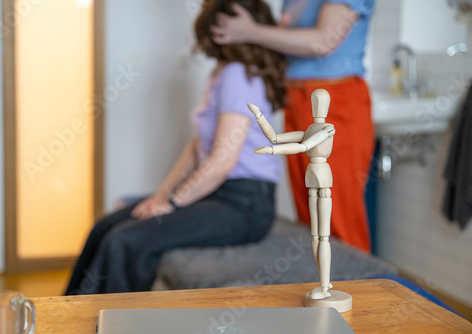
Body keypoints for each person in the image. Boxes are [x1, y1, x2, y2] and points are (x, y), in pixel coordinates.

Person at [65, 0, 286, 295]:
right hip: (219, 194)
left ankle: (103, 323)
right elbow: (199, 149)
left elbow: (222, 161)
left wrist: (171, 203)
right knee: (105, 227)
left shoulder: (238, 74)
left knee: (124, 241)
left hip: (245, 204)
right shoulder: (220, 73)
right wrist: (161, 195)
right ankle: (66, 316)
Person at [211, 0, 375, 252]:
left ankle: (357, 287)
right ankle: (321, 284)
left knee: (337, 214)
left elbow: (323, 41)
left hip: (333, 101)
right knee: (310, 212)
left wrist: (249, 31)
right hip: (297, 101)